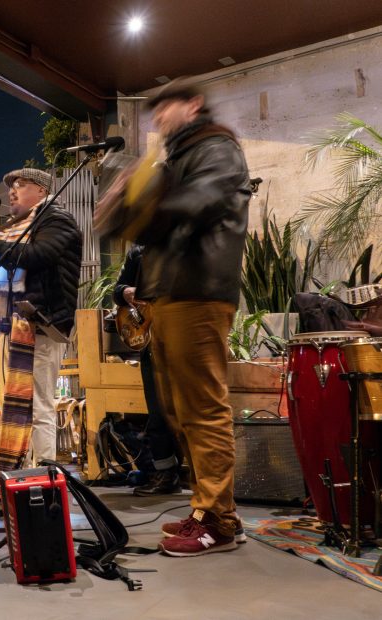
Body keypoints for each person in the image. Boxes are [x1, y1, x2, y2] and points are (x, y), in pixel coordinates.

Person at [138, 78, 251, 556]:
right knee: (181, 411)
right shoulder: (179, 158)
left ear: (194, 104)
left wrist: (144, 206)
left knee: (203, 410)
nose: (160, 117)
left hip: (199, 293)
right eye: (155, 111)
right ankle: (211, 509)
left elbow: (202, 201)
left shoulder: (217, 147)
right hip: (172, 294)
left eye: (167, 107)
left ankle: (218, 524)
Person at [0, 167, 82, 470]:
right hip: (15, 326)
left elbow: (41, 254)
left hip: (43, 325)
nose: (11, 191)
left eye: (20, 185)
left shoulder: (56, 219)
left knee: (39, 405)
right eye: (11, 186)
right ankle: (21, 473)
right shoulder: (16, 228)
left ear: (41, 191)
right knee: (16, 406)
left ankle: (45, 475)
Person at [112, 244, 182, 496]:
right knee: (157, 411)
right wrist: (127, 292)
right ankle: (166, 475)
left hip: (183, 337)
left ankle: (203, 484)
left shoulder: (188, 243)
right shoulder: (138, 252)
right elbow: (116, 291)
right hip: (152, 342)